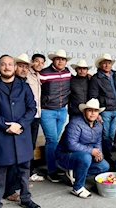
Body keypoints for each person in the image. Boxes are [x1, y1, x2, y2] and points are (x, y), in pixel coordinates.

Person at [0, 55, 40, 208]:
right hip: (2, 135)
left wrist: (19, 125)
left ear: (14, 67)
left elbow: (32, 108)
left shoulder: (24, 86)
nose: (7, 67)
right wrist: (6, 125)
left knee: (24, 171)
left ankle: (26, 199)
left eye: (10, 64)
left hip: (22, 135)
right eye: (3, 64)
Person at [55, 98, 109, 198]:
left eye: (96, 111)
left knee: (104, 166)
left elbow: (98, 142)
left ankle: (76, 174)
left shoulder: (98, 125)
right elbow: (71, 145)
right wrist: (91, 151)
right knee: (86, 158)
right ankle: (77, 187)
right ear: (84, 111)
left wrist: (99, 153)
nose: (93, 113)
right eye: (90, 110)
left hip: (84, 154)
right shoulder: (75, 123)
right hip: (65, 155)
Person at [40, 49, 72, 182]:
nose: (60, 61)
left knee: (56, 140)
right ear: (53, 60)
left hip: (62, 110)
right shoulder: (44, 73)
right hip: (47, 111)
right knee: (51, 140)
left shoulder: (67, 72)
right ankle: (51, 170)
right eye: (58, 59)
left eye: (63, 59)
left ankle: (56, 165)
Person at [89, 53, 116, 167]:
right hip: (105, 110)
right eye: (104, 63)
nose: (107, 65)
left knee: (111, 135)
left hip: (115, 109)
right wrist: (97, 112)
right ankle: (106, 158)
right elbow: (93, 96)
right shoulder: (96, 78)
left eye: (109, 63)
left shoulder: (114, 75)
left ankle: (107, 156)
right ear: (100, 64)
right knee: (105, 135)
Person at [27, 53, 46, 181]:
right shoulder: (26, 75)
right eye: (37, 61)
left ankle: (29, 173)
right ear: (32, 62)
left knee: (31, 144)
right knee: (26, 145)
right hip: (27, 116)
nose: (39, 64)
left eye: (42, 62)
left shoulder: (39, 75)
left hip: (37, 114)